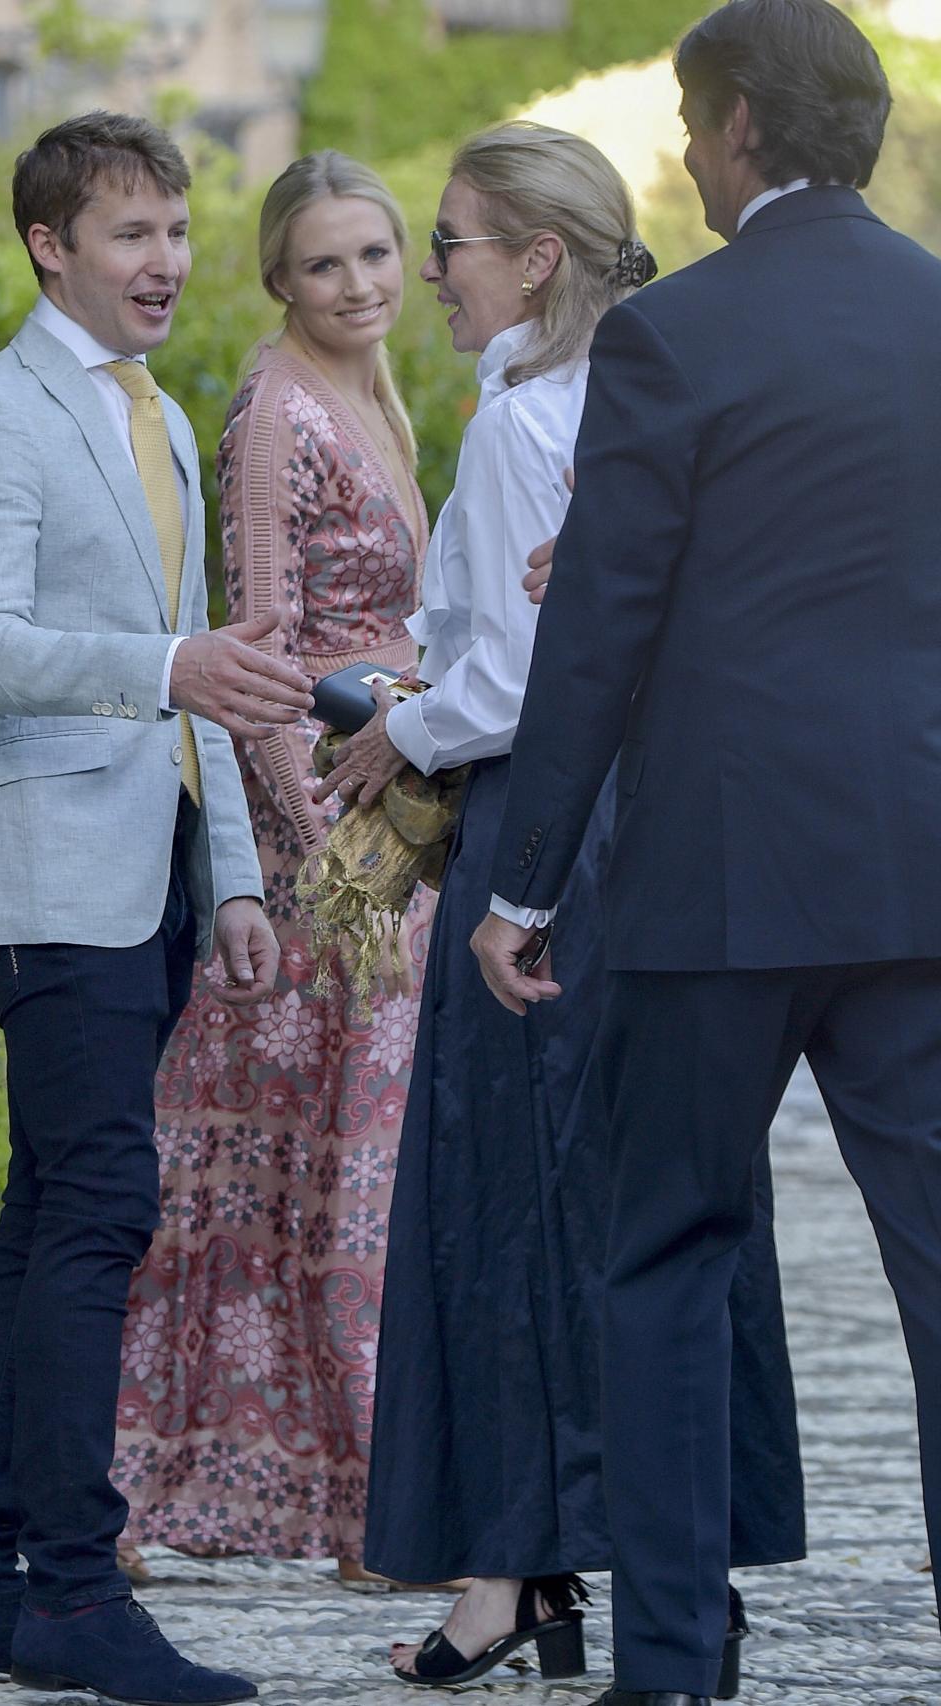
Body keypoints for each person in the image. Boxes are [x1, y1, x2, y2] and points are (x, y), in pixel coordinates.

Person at [471, 5, 941, 1704]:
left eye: (692, 122)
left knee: (665, 1252)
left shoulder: (674, 334)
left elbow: (597, 626)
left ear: (739, 126)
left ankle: (674, 1663)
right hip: (920, 870)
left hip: (719, 880)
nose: (682, 152)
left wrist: (521, 883)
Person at [317, 120, 803, 1695]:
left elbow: (530, 669)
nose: (429, 271)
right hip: (645, 825)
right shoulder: (628, 393)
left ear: (534, 258)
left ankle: (519, 1567)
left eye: (448, 241)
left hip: (549, 829)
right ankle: (634, 1568)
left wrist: (406, 719)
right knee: (645, 1195)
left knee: (517, 1207)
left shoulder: (532, 414)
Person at [0, 111, 318, 1705]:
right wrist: (165, 668)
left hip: (146, 873)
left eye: (176, 230)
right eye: (131, 233)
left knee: (43, 1222)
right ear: (49, 247)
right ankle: (73, 1592)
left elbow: (199, 658)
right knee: (98, 1214)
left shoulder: (145, 411)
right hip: (42, 879)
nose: (167, 261)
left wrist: (228, 883)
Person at [112, 150, 436, 1582]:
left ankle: (364, 1501)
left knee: (338, 1192)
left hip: (388, 834)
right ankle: (135, 1491)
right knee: (269, 1195)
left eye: (376, 255)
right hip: (324, 870)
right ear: (279, 278)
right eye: (325, 263)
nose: (358, 284)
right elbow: (259, 665)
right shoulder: (273, 414)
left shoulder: (372, 391)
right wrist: (334, 868)